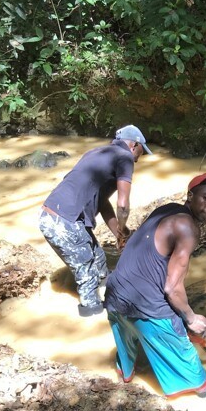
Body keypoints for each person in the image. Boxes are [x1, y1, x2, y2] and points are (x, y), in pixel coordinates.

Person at [103, 172, 206, 399]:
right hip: (144, 307)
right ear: (190, 195)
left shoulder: (166, 210)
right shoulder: (188, 228)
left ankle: (125, 373)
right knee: (205, 386)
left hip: (114, 296)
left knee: (127, 351)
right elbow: (171, 288)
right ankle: (195, 388)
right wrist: (191, 319)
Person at [39, 125, 151, 317]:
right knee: (88, 276)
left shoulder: (95, 153)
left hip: (58, 217)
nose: (139, 158)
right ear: (133, 145)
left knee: (99, 261)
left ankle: (105, 295)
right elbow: (122, 205)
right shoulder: (124, 157)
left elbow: (101, 202)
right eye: (140, 152)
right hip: (63, 222)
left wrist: (118, 232)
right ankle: (92, 314)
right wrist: (124, 227)